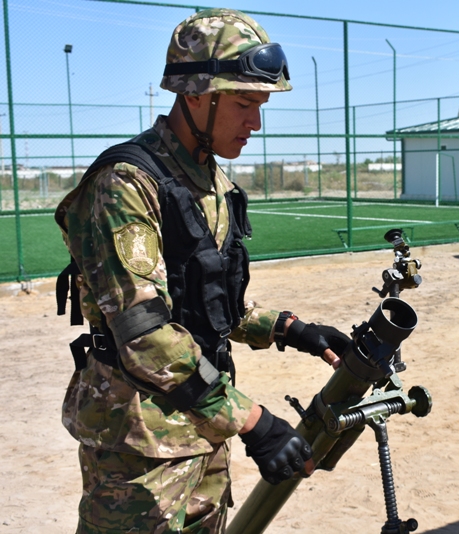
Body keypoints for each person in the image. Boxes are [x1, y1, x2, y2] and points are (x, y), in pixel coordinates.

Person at [54, 9, 351, 533]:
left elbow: (208, 304)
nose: (255, 124)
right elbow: (144, 333)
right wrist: (253, 421)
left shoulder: (214, 184)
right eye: (243, 104)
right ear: (195, 95)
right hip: (137, 447)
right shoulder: (125, 184)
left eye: (260, 106)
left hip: (202, 432)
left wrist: (290, 328)